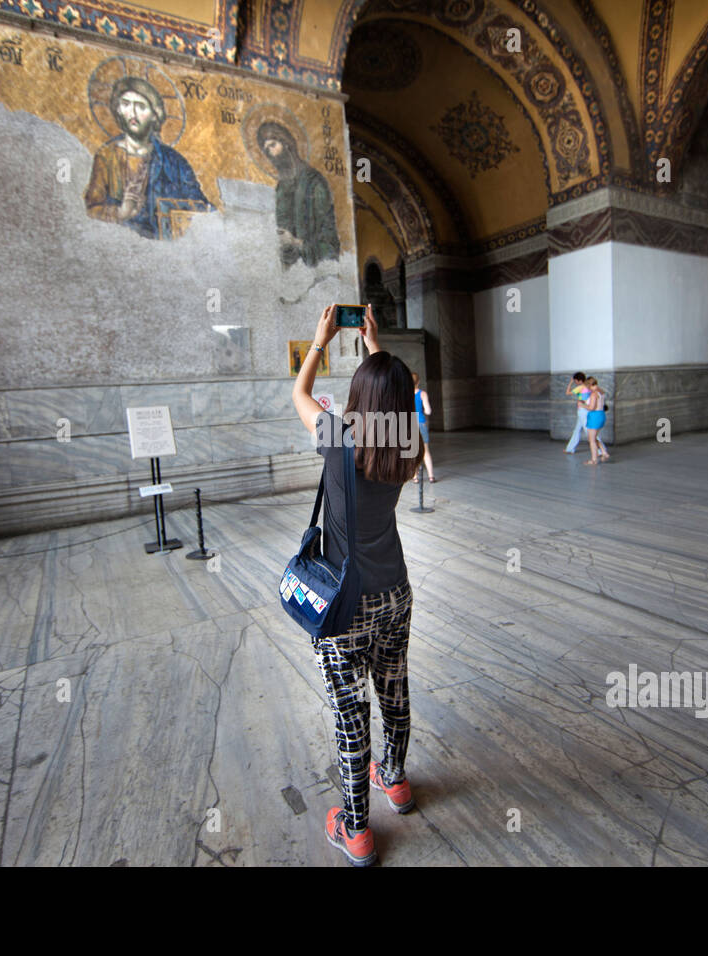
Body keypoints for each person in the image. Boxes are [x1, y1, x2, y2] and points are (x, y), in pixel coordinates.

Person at [291, 303, 422, 866]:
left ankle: (356, 829)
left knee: (351, 715)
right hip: (396, 592)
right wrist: (377, 345)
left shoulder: (337, 436)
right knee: (394, 690)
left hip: (346, 606)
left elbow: (299, 395)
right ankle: (394, 780)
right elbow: (399, 392)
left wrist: (320, 342)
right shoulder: (409, 438)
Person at [84, 76, 213, 239]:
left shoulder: (174, 162)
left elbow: (200, 206)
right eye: (125, 104)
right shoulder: (106, 156)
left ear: (155, 114)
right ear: (117, 109)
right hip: (119, 243)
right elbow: (91, 208)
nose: (132, 113)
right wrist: (120, 213)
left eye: (140, 106)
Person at [259, 121, 340, 267]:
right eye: (266, 151)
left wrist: (297, 243)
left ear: (287, 143)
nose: (271, 153)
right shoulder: (281, 187)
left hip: (312, 268)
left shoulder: (314, 182)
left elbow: (330, 241)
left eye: (273, 145)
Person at [411, 373, 435, 481]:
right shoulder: (422, 394)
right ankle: (431, 476)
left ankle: (415, 477)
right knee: (425, 451)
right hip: (421, 423)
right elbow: (428, 411)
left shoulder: (405, 394)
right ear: (418, 382)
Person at [583, 376, 611, 464]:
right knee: (594, 438)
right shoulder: (600, 391)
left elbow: (591, 407)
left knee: (591, 440)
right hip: (601, 414)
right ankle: (604, 452)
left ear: (589, 385)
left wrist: (582, 405)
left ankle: (594, 460)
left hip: (594, 416)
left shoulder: (594, 394)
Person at [564, 372, 589, 453]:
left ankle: (600, 450)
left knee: (588, 431)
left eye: (575, 381)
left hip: (582, 410)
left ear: (579, 380)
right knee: (577, 430)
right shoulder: (587, 386)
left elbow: (567, 392)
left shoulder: (580, 387)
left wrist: (570, 382)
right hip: (585, 409)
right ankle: (570, 448)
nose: (575, 382)